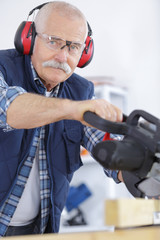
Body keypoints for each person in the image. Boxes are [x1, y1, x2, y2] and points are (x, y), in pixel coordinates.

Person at [0, 1, 122, 236]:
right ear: (29, 37)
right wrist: (72, 109)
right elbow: (10, 109)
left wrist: (139, 170)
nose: (62, 56)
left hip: (37, 230)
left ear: (84, 53)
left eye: (74, 47)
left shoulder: (81, 91)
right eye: (53, 41)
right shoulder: (3, 69)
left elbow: (106, 143)